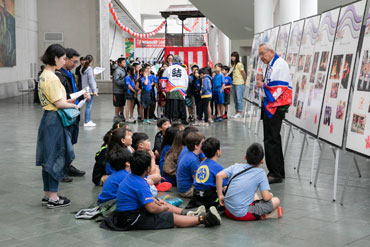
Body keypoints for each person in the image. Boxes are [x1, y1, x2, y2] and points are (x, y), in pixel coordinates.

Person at [100, 150, 222, 231]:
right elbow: (152, 209)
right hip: (130, 219)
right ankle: (203, 219)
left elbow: (143, 200)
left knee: (159, 201)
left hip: (128, 213)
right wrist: (162, 208)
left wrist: (157, 203)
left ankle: (186, 213)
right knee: (168, 217)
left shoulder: (131, 177)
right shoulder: (140, 183)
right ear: (148, 169)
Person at [36, 44, 78, 208]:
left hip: (48, 117)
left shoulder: (44, 75)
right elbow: (58, 103)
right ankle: (53, 196)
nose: (64, 61)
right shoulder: (52, 77)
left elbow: (55, 101)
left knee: (48, 157)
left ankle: (48, 193)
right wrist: (73, 105)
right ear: (55, 58)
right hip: (55, 119)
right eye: (63, 58)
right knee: (56, 156)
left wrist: (66, 102)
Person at [216, 143, 283, 221]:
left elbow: (219, 176)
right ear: (262, 161)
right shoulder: (261, 173)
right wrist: (270, 196)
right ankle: (263, 215)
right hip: (242, 215)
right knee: (276, 200)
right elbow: (266, 197)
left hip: (227, 210)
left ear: (245, 157)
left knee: (252, 192)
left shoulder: (236, 166)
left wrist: (220, 195)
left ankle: (257, 209)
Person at [256, 43, 292, 184]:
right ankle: (277, 170)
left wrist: (262, 84)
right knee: (272, 138)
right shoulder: (271, 64)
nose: (261, 57)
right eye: (259, 54)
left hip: (276, 106)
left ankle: (275, 173)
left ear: (271, 51)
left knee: (271, 139)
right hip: (270, 105)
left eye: (262, 54)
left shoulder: (280, 64)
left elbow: (279, 87)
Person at [55, 48, 88, 182]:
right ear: (65, 59)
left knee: (71, 141)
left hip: (73, 111)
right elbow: (60, 96)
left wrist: (82, 96)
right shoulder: (58, 75)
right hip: (65, 112)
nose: (75, 64)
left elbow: (72, 91)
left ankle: (68, 166)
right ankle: (60, 169)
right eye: (73, 61)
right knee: (63, 143)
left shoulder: (69, 74)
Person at [188, 137, 227, 209]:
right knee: (226, 188)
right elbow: (224, 184)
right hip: (208, 198)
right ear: (217, 152)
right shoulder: (218, 167)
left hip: (196, 196)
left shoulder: (202, 163)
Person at [161, 56, 189, 124]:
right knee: (181, 105)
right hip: (181, 89)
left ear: (173, 61)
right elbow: (186, 81)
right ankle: (182, 119)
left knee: (171, 104)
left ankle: (170, 118)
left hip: (171, 89)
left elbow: (163, 80)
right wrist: (185, 89)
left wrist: (163, 88)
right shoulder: (183, 69)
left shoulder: (168, 69)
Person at [176, 131, 205, 198]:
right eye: (203, 143)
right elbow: (198, 180)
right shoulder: (193, 160)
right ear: (196, 146)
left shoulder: (188, 153)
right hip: (187, 191)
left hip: (182, 188)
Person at [81, 54, 99, 127]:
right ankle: (87, 121)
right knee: (89, 106)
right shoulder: (89, 69)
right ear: (91, 61)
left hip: (85, 89)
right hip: (90, 90)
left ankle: (87, 120)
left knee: (88, 106)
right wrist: (95, 90)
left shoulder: (82, 68)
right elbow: (91, 81)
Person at [230, 51, 247, 118]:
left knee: (239, 98)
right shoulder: (232, 65)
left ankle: (239, 112)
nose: (232, 58)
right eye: (232, 56)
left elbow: (243, 73)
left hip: (239, 83)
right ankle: (236, 111)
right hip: (234, 83)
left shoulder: (239, 64)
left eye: (234, 56)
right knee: (235, 98)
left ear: (236, 57)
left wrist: (244, 81)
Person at [112, 57, 127, 122]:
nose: (125, 63)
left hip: (123, 91)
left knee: (122, 104)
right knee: (117, 104)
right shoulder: (117, 71)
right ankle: (116, 116)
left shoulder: (123, 70)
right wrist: (125, 83)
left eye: (125, 62)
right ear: (119, 63)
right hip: (117, 91)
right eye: (123, 62)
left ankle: (121, 115)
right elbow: (117, 81)